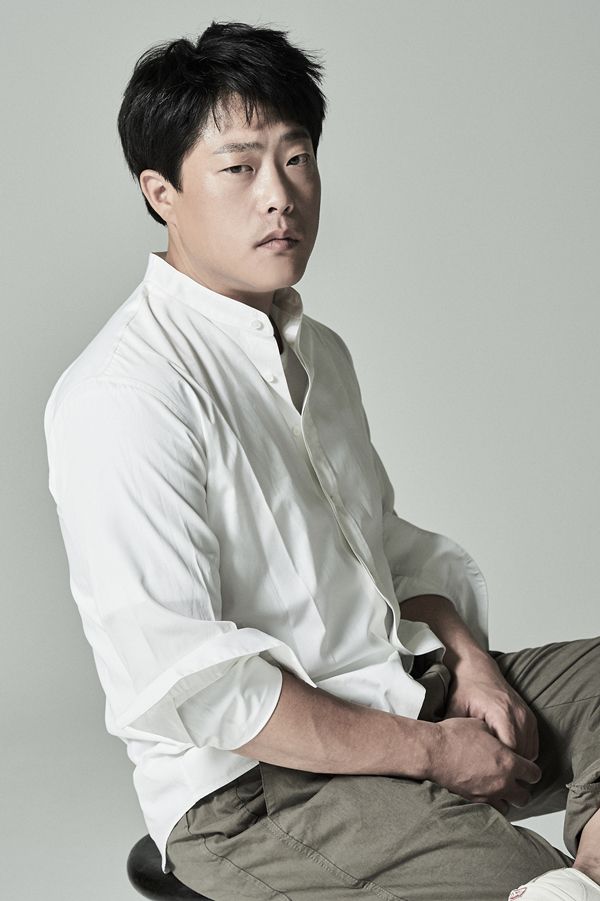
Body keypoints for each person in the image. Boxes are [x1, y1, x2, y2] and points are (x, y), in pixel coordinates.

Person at [43, 20, 600, 901]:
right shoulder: (124, 394)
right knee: (537, 891)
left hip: (397, 689)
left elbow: (382, 558)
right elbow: (204, 689)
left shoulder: (319, 352)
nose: (281, 196)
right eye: (239, 168)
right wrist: (431, 753)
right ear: (161, 192)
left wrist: (472, 661)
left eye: (297, 158)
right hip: (255, 791)